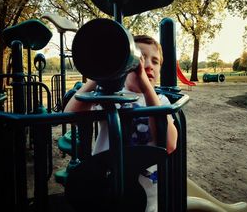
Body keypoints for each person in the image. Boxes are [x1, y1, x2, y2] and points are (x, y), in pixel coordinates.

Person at [64, 34, 178, 212]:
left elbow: (170, 144)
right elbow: (69, 115)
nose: (147, 65)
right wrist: (101, 75)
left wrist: (146, 87)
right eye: (138, 60)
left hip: (148, 191)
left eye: (155, 61)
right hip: (107, 185)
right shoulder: (110, 96)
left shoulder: (160, 100)